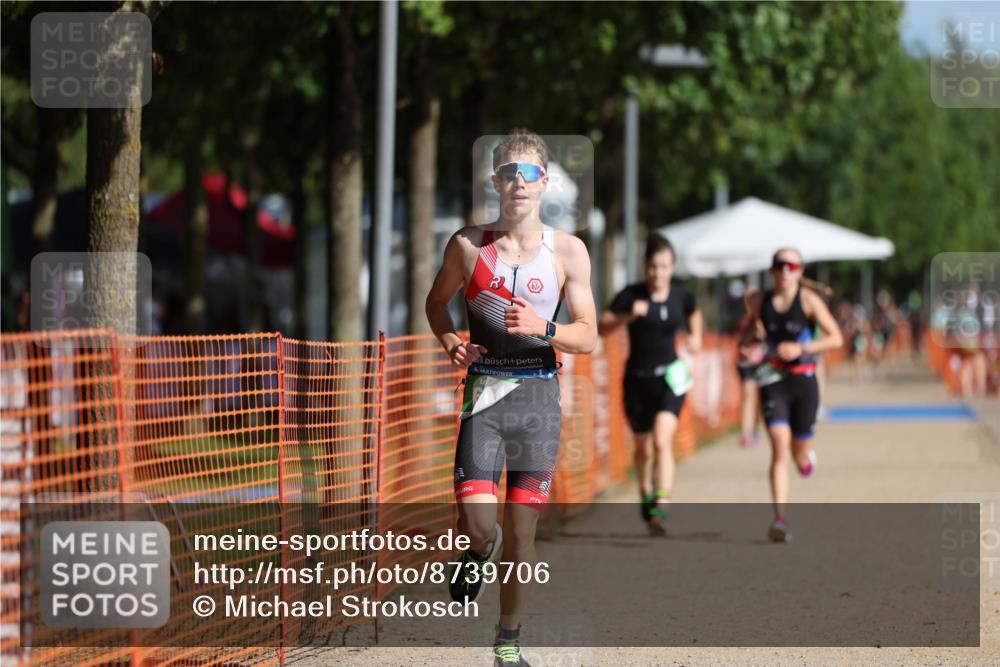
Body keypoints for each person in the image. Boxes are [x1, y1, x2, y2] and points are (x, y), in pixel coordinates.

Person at [425, 129, 597, 667]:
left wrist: (544, 327)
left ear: (544, 182)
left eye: (528, 174)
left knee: (523, 531)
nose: (518, 184)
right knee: (480, 525)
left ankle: (508, 642)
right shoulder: (468, 246)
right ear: (495, 182)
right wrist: (453, 342)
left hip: (540, 403)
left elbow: (588, 335)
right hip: (486, 399)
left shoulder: (568, 251)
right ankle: (477, 552)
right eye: (508, 173)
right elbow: (436, 303)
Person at [598, 234, 703, 535]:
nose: (658, 273)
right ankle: (645, 490)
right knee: (643, 447)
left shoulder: (681, 296)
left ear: (673, 267)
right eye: (653, 267)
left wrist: (695, 336)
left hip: (670, 379)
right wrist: (629, 316)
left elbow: (694, 312)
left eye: (664, 266)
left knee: (661, 440)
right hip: (637, 381)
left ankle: (662, 503)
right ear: (646, 267)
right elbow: (603, 325)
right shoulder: (631, 295)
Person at [740, 248, 842, 542]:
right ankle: (780, 519)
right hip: (773, 380)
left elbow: (835, 337)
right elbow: (750, 333)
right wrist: (750, 345)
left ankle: (805, 457)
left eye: (791, 265)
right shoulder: (760, 302)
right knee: (779, 448)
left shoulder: (809, 301)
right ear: (772, 271)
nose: (785, 270)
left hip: (804, 382)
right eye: (779, 265)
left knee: (798, 455)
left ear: (799, 271)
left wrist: (802, 349)